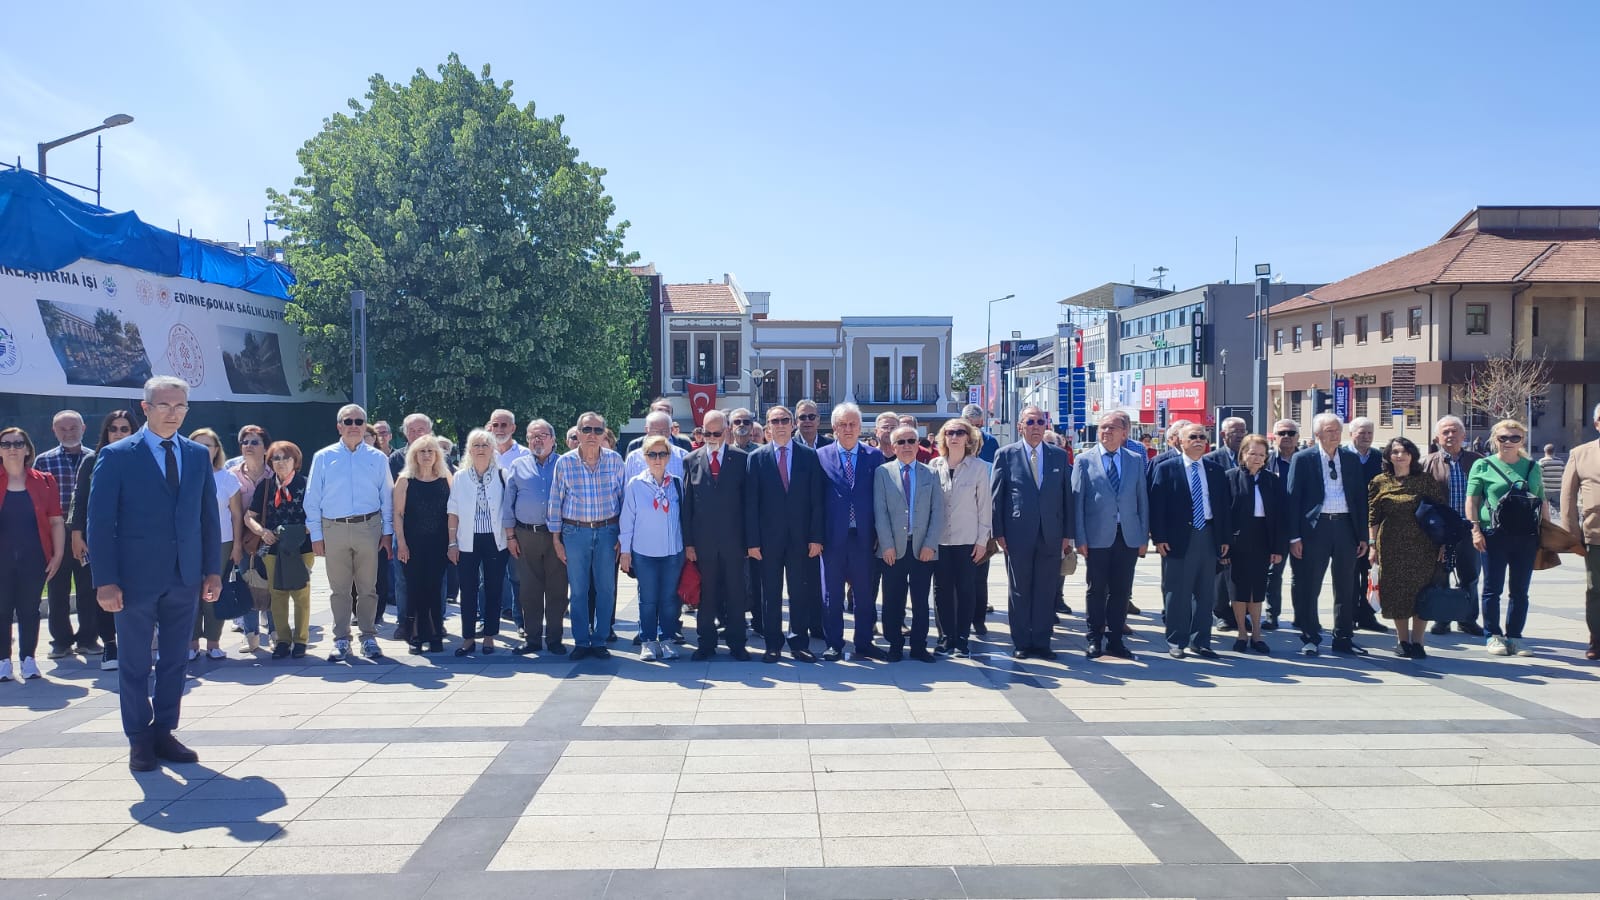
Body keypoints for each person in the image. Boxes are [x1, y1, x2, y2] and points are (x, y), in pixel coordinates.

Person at [88, 375, 222, 771]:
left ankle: (164, 731)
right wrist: (105, 580)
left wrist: (212, 570)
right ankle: (139, 738)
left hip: (185, 577)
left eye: (180, 406)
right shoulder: (117, 456)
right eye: (164, 406)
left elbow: (207, 518)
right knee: (133, 663)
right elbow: (99, 523)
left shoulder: (197, 455)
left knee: (175, 661)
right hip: (133, 581)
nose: (173, 414)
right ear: (145, 408)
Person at [304, 403, 395, 662]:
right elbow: (312, 498)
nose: (353, 426)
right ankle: (341, 639)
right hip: (333, 528)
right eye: (348, 421)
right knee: (339, 589)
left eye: (358, 421)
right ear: (339, 426)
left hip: (369, 527)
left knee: (368, 587)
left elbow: (386, 497)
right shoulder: (323, 457)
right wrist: (316, 535)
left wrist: (387, 533)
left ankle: (368, 636)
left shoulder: (377, 458)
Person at [991, 404, 1074, 659]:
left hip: (1051, 533)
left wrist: (1067, 534)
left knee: (1046, 589)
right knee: (1019, 589)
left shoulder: (1058, 456)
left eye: (1040, 422)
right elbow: (997, 496)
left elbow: (1066, 497)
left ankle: (1042, 641)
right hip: (1017, 533)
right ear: (1020, 427)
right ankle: (1022, 642)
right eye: (1030, 422)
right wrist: (999, 532)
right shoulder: (1006, 455)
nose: (1036, 427)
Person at [745, 405, 826, 663]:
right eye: (774, 420)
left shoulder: (808, 456)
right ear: (767, 426)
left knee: (800, 592)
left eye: (784, 420)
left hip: (801, 540)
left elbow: (817, 501)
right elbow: (751, 504)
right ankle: (772, 644)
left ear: (792, 424)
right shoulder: (756, 458)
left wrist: (816, 538)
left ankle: (799, 642)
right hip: (767, 542)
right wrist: (753, 542)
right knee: (770, 594)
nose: (780, 424)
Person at [1286, 413, 1370, 656]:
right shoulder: (1303, 459)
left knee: (1345, 585)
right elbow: (1293, 500)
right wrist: (1294, 537)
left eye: (1338, 430)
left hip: (1345, 526)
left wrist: (1362, 535)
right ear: (1317, 434)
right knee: (1310, 584)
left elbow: (1359, 499)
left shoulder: (1351, 460)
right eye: (1330, 431)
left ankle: (1343, 637)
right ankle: (1310, 637)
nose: (1335, 435)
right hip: (1315, 528)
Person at [548, 411, 625, 660]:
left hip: (607, 531)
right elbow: (555, 501)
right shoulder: (565, 462)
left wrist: (624, 536)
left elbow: (624, 500)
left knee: (606, 588)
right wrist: (556, 539)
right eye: (587, 430)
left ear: (604, 433)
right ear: (578, 433)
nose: (592, 435)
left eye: (598, 430)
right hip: (575, 532)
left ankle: (600, 640)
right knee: (578, 590)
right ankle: (581, 641)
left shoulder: (615, 460)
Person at [1150, 423, 1231, 659]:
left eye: (1202, 437)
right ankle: (1177, 640)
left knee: (1206, 593)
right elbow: (1158, 506)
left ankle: (1201, 641)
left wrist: (1224, 538)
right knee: (1178, 592)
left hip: (1208, 534)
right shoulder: (1167, 468)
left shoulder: (1215, 470)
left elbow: (1223, 507)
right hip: (1178, 538)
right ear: (1180, 441)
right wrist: (1159, 537)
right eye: (1193, 437)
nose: (1198, 440)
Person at [1072, 410, 1146, 660]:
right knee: (1096, 589)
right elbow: (1077, 502)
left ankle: (1116, 640)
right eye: (1102, 427)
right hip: (1096, 537)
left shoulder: (1135, 460)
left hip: (1127, 535)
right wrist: (1079, 538)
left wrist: (1143, 537)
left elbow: (1141, 500)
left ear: (1125, 433)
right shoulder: (1084, 460)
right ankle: (1094, 638)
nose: (1106, 432)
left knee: (1121, 590)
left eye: (1112, 428)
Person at [1468, 419, 1543, 658]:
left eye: (1514, 438)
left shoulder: (1533, 467)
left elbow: (1541, 501)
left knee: (1520, 590)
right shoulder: (1483, 465)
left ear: (1522, 440)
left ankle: (1515, 636)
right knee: (1492, 587)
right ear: (1494, 439)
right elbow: (1473, 500)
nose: (1508, 442)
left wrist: (1546, 535)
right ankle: (1493, 634)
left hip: (1526, 536)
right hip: (1494, 534)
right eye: (1503, 438)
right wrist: (1475, 530)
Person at [68, 410, 137, 670]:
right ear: (105, 432)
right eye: (113, 428)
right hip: (99, 539)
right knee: (103, 589)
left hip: (134, 539)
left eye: (124, 429)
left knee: (135, 592)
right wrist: (76, 534)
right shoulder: (92, 460)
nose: (118, 433)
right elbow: (80, 500)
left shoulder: (142, 459)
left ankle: (134, 644)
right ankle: (110, 645)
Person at [1367, 436, 1446, 659]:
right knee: (1396, 593)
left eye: (1404, 451)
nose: (1399, 455)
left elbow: (1440, 511)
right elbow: (1373, 516)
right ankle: (1402, 641)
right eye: (1395, 452)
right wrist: (1372, 545)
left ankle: (1419, 642)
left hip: (1423, 545)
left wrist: (1442, 543)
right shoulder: (1379, 481)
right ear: (1388, 456)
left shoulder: (1425, 480)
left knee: (1421, 593)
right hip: (1391, 544)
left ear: (1412, 455)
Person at [816, 402, 884, 661]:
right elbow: (816, 500)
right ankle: (834, 643)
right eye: (842, 424)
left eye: (852, 424)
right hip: (832, 538)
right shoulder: (820, 456)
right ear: (834, 428)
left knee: (864, 594)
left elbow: (880, 498)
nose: (847, 429)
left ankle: (864, 643)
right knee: (831, 593)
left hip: (864, 538)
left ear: (860, 427)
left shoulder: (874, 456)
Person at [682, 410, 751, 661]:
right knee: (707, 594)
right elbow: (687, 504)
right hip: (703, 543)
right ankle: (706, 643)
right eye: (706, 433)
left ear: (727, 431)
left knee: (735, 593)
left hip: (734, 542)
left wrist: (749, 541)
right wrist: (689, 543)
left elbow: (748, 504)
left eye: (716, 433)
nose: (711, 437)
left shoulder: (742, 459)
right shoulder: (691, 459)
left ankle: (737, 643)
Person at [874, 424, 945, 662]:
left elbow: (938, 513)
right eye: (901, 442)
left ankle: (919, 646)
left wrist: (930, 544)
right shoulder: (883, 473)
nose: (906, 446)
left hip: (922, 548)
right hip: (893, 548)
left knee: (920, 601)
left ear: (918, 444)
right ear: (893, 446)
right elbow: (880, 511)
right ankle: (894, 644)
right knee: (893, 599)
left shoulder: (930, 473)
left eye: (911, 441)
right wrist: (887, 545)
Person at [0, 427, 65, 682]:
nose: (12, 448)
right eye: (6, 444)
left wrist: (58, 554)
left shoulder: (45, 480)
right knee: (1, 610)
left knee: (29, 609)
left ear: (28, 449)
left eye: (18, 443)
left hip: (34, 556)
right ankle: (3, 661)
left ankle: (28, 659)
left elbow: (56, 521)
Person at [34, 410, 96, 660]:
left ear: (84, 427)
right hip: (56, 534)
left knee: (88, 587)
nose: (68, 433)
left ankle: (88, 639)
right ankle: (61, 641)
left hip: (87, 532)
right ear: (54, 431)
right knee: (57, 588)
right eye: (63, 429)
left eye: (73, 428)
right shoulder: (43, 461)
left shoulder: (96, 457)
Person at [504, 419, 568, 655]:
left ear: (553, 439)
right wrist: (510, 535)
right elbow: (508, 502)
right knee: (528, 590)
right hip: (525, 534)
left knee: (557, 589)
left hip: (557, 537)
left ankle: (554, 639)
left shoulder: (565, 464)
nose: (537, 440)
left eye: (542, 435)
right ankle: (532, 639)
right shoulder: (518, 465)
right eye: (532, 436)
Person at [619, 435, 686, 662]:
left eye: (662, 454)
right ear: (645, 457)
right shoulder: (636, 484)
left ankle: (666, 639)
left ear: (668, 457)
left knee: (668, 598)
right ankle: (648, 640)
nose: (657, 459)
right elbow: (627, 520)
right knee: (647, 599)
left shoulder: (677, 482)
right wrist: (625, 552)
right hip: (644, 552)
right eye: (652, 455)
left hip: (672, 552)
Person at [247, 441, 315, 660]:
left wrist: (302, 530)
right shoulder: (265, 486)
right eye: (276, 458)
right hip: (272, 548)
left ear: (295, 461)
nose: (281, 462)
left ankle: (301, 641)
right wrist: (261, 531)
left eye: (286, 458)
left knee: (300, 593)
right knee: (277, 594)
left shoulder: (307, 485)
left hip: (301, 548)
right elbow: (250, 516)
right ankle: (283, 640)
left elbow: (318, 514)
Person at [929, 419, 990, 659]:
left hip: (968, 539)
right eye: (949, 432)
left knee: (966, 589)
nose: (954, 437)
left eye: (960, 432)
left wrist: (982, 540)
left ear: (968, 438)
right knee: (941, 590)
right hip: (940, 540)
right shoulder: (934, 465)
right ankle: (946, 637)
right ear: (943, 438)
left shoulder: (979, 468)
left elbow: (985, 507)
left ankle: (963, 638)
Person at [1422, 416, 1485, 637]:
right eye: (1445, 432)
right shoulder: (1428, 462)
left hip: (1469, 529)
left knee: (1470, 575)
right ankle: (1442, 619)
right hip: (1440, 531)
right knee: (1440, 575)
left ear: (1463, 436)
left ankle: (1468, 619)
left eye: (1454, 431)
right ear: (1437, 437)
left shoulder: (1477, 460)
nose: (1450, 436)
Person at [447, 429, 509, 656]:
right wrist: (452, 543)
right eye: (476, 445)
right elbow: (452, 511)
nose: (481, 449)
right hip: (467, 541)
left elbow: (508, 509)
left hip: (495, 540)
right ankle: (468, 638)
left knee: (493, 588)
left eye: (485, 445)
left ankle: (490, 636)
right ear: (469, 450)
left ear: (492, 449)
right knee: (468, 589)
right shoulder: (461, 477)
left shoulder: (503, 475)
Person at [1224, 434, 1285, 654]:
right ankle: (1241, 632)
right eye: (1252, 453)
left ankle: (1257, 634)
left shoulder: (1272, 480)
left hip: (1263, 539)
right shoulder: (1230, 477)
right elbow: (1224, 514)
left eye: (1262, 454)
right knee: (1239, 588)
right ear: (1242, 454)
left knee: (1258, 588)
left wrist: (1278, 548)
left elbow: (1280, 516)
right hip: (1238, 540)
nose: (1257, 458)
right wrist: (1224, 544)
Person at [187, 429, 243, 661]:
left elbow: (237, 515)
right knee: (190, 593)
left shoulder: (227, 478)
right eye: (197, 447)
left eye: (207, 446)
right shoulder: (182, 475)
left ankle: (213, 643)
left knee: (213, 593)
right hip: (189, 543)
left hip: (221, 543)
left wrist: (238, 545)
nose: (203, 451)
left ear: (216, 450)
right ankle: (191, 644)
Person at [395, 435, 451, 654]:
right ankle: (416, 635)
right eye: (422, 451)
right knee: (415, 589)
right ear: (414, 455)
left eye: (431, 451)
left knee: (435, 589)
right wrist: (401, 543)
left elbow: (453, 512)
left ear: (437, 454)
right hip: (413, 543)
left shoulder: (446, 477)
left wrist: (453, 543)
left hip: (439, 543)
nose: (427, 455)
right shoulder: (405, 480)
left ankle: (436, 635)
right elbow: (398, 514)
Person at [226, 425, 273, 649]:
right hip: (243, 538)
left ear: (265, 448)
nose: (248, 446)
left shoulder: (274, 472)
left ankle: (275, 632)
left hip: (271, 537)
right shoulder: (232, 474)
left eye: (254, 442)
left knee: (272, 584)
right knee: (246, 583)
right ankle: (251, 634)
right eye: (245, 442)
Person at [1560, 403, 1600, 661]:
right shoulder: (1580, 453)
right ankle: (1597, 638)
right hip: (1595, 534)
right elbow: (1567, 496)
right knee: (1596, 589)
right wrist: (1571, 535)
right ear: (1597, 423)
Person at [1343, 417, 1389, 634]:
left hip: (1374, 522)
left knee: (1371, 572)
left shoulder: (1380, 458)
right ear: (1351, 434)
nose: (1366, 437)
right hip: (1348, 522)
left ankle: (1367, 615)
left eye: (1370, 433)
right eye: (1362, 433)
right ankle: (1348, 615)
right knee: (1349, 573)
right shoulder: (1342, 456)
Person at [1262, 418, 1300, 630]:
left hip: (1301, 528)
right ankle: (1272, 615)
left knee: (1302, 575)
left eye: (1291, 433)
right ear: (1274, 437)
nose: (1286, 437)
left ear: (1297, 437)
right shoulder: (1266, 461)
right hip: (1274, 527)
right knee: (1273, 573)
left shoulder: (1305, 460)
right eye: (1281, 433)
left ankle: (1301, 616)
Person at [1540, 444, 1566, 519]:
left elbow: (1539, 475)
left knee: (1545, 509)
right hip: (1558, 489)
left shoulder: (1542, 461)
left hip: (1546, 489)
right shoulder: (1560, 462)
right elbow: (1564, 474)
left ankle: (1547, 524)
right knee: (1560, 508)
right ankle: (1563, 522)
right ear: (1554, 451)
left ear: (1545, 451)